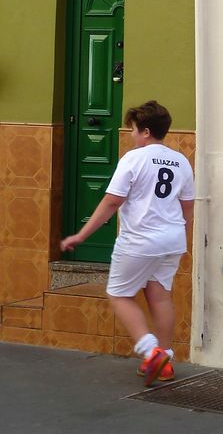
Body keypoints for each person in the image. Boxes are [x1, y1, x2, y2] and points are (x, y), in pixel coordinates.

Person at [60, 100, 194, 386]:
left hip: (140, 240)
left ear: (145, 131)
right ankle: (166, 360)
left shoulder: (134, 159)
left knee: (119, 294)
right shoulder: (181, 161)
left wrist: (81, 236)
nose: (132, 135)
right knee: (160, 296)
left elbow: (112, 201)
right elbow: (187, 208)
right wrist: (179, 237)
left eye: (133, 129)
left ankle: (151, 351)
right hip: (172, 240)